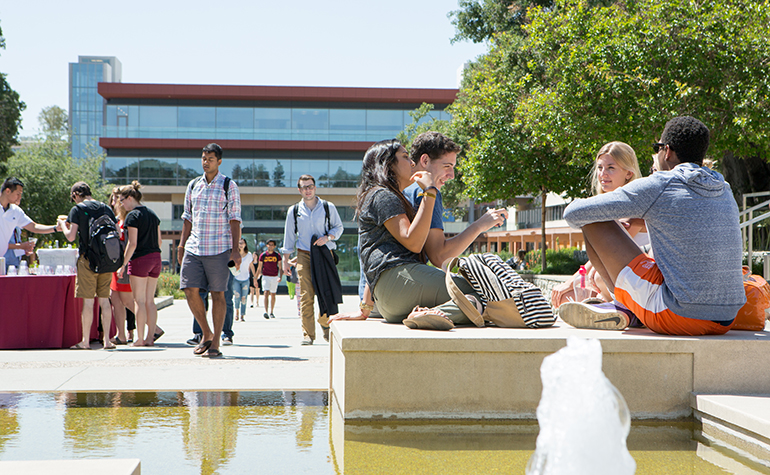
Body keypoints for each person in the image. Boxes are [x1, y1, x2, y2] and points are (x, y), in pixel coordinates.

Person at [559, 116, 745, 335]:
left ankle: (625, 306)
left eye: (657, 148)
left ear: (666, 151)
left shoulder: (660, 184)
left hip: (680, 315)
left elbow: (574, 214)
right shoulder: (723, 187)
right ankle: (628, 306)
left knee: (593, 221)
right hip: (727, 318)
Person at [330, 139, 482, 330]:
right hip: (399, 282)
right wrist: (430, 191)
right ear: (387, 164)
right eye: (404, 157)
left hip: (389, 298)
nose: (412, 162)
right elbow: (413, 243)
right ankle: (427, 314)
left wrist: (365, 309)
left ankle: (424, 314)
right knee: (481, 292)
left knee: (474, 303)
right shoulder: (383, 195)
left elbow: (376, 257)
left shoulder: (383, 196)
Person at [550, 142, 645, 307]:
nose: (603, 174)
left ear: (629, 173)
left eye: (610, 168)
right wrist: (571, 282)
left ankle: (612, 304)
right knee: (564, 300)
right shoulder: (602, 207)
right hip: (609, 276)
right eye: (600, 168)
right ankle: (604, 302)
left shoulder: (635, 206)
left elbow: (610, 252)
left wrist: (571, 281)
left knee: (596, 277)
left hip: (637, 277)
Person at [403, 131, 508, 268]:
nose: (452, 175)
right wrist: (480, 225)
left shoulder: (403, 189)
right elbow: (439, 256)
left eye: (453, 167)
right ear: (425, 160)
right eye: (447, 166)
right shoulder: (427, 192)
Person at [177, 143, 242, 358]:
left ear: (219, 161)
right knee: (189, 289)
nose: (206, 162)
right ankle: (206, 333)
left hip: (219, 248)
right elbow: (187, 217)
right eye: (204, 158)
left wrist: (235, 251)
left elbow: (235, 220)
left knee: (218, 294)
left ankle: (216, 343)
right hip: (194, 247)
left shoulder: (228, 185)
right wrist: (181, 244)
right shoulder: (193, 185)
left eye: (210, 159)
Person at [281, 175, 343, 345]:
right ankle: (308, 334)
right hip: (303, 255)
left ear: (315, 188)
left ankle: (325, 325)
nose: (308, 190)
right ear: (299, 190)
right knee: (306, 295)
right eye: (304, 187)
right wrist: (285, 261)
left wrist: (328, 237)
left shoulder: (327, 207)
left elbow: (339, 227)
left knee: (325, 292)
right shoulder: (294, 211)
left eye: (310, 186)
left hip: (324, 254)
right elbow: (289, 237)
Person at [58, 181, 116, 350]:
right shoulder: (106, 208)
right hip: (106, 261)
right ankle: (107, 341)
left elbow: (70, 236)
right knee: (105, 301)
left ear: (76, 194)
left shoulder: (77, 209)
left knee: (89, 302)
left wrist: (62, 224)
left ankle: (85, 342)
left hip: (87, 260)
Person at [116, 182, 162, 347]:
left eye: (122, 200)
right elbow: (160, 241)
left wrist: (123, 265)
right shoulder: (152, 214)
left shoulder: (132, 216)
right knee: (150, 301)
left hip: (140, 260)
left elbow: (132, 243)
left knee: (139, 300)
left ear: (130, 198)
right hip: (156, 258)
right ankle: (150, 338)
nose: (122, 204)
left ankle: (140, 339)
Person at [0, 177, 60, 271]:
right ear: (7, 191)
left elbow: (34, 226)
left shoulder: (16, 211)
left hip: (2, 260)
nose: (19, 197)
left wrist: (55, 228)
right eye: (18, 194)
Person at [108, 186, 136, 345]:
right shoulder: (118, 219)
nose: (112, 203)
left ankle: (155, 328)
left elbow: (130, 243)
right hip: (116, 264)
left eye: (115, 199)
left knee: (127, 300)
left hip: (123, 265)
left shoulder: (128, 219)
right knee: (115, 299)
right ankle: (121, 335)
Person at [256, 239, 282, 319]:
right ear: (267, 245)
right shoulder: (263, 255)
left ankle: (271, 312)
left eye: (272, 245)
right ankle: (266, 311)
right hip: (265, 276)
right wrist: (255, 277)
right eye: (269, 244)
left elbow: (280, 268)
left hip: (274, 276)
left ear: (274, 246)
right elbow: (259, 267)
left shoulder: (277, 255)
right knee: (266, 292)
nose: (270, 246)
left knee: (273, 294)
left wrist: (280, 276)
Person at [232, 238, 253, 322]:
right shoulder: (234, 254)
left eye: (242, 243)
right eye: (239, 243)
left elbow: (251, 266)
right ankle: (236, 312)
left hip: (245, 279)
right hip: (236, 278)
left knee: (244, 297)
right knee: (237, 296)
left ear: (245, 245)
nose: (240, 245)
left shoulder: (249, 255)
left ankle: (242, 315)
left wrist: (254, 277)